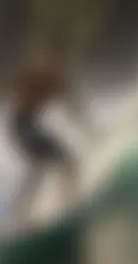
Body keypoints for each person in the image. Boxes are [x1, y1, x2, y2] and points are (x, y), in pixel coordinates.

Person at [7, 39, 92, 227]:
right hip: (19, 126)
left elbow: (74, 109)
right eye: (51, 60)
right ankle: (20, 213)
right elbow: (6, 93)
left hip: (32, 127)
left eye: (58, 61)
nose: (54, 65)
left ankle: (67, 206)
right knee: (42, 163)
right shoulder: (34, 76)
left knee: (69, 164)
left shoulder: (59, 82)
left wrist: (91, 129)